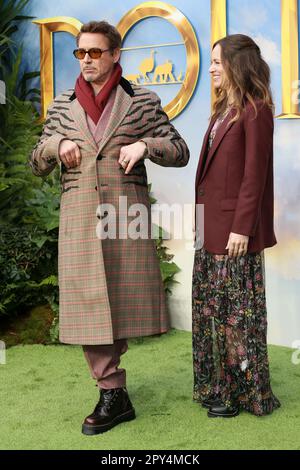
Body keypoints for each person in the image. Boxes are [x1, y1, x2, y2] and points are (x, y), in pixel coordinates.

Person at [29, 20, 189, 434]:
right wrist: (54, 145)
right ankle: (111, 389)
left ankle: (113, 387)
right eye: (80, 53)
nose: (86, 60)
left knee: (118, 302)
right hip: (79, 219)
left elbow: (179, 150)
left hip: (125, 218)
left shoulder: (142, 102)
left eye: (95, 52)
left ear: (115, 55)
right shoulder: (63, 106)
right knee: (88, 305)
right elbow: (35, 161)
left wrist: (145, 145)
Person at [193, 34, 281, 418]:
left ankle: (243, 394)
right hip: (208, 230)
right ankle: (218, 387)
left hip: (234, 235)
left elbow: (254, 177)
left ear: (237, 64)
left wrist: (242, 228)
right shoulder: (221, 111)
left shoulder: (255, 110)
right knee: (212, 313)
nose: (211, 68)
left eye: (217, 61)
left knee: (236, 316)